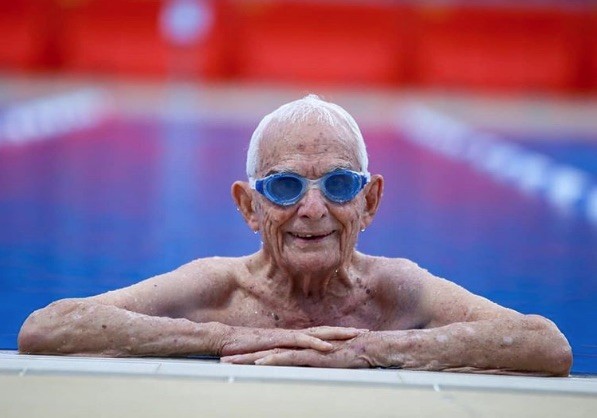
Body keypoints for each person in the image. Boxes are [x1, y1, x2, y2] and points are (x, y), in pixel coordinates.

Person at [18, 95, 572, 376]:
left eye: (338, 184)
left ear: (370, 201)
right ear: (249, 207)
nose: (312, 209)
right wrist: (218, 340)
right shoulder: (217, 291)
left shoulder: (396, 292)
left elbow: (545, 344)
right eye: (284, 186)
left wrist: (374, 350)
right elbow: (48, 327)